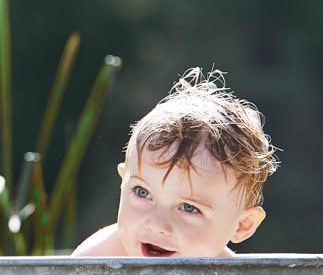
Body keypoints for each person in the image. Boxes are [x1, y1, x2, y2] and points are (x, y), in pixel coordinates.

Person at [71, 68, 278, 259]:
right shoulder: (95, 262)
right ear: (123, 182)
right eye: (142, 192)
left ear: (242, 225)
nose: (157, 225)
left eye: (188, 207)